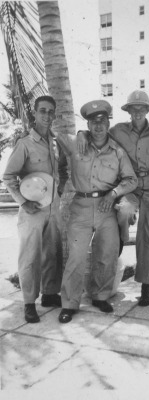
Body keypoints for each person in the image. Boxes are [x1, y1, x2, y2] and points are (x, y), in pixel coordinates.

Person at [77, 90, 149, 307]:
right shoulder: (117, 131)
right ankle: (120, 237)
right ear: (129, 111)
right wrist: (82, 132)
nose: (138, 112)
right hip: (128, 185)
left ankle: (145, 287)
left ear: (148, 110)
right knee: (124, 210)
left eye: (142, 108)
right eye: (134, 108)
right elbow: (96, 130)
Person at [55, 100, 138, 323]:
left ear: (108, 123)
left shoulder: (117, 152)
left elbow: (132, 179)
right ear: (88, 125)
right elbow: (57, 136)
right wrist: (79, 134)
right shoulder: (75, 143)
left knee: (106, 254)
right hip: (80, 207)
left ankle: (100, 296)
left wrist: (113, 194)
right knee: (76, 257)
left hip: (106, 207)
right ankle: (69, 304)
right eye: (92, 122)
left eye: (102, 121)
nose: (98, 126)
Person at [3, 95, 68, 323]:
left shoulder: (55, 142)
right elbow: (8, 177)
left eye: (51, 112)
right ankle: (29, 303)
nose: (47, 116)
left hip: (53, 208)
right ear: (35, 112)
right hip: (32, 211)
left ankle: (50, 295)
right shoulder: (25, 143)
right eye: (43, 111)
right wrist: (23, 202)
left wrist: (59, 193)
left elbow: (63, 169)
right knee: (30, 257)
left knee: (53, 253)